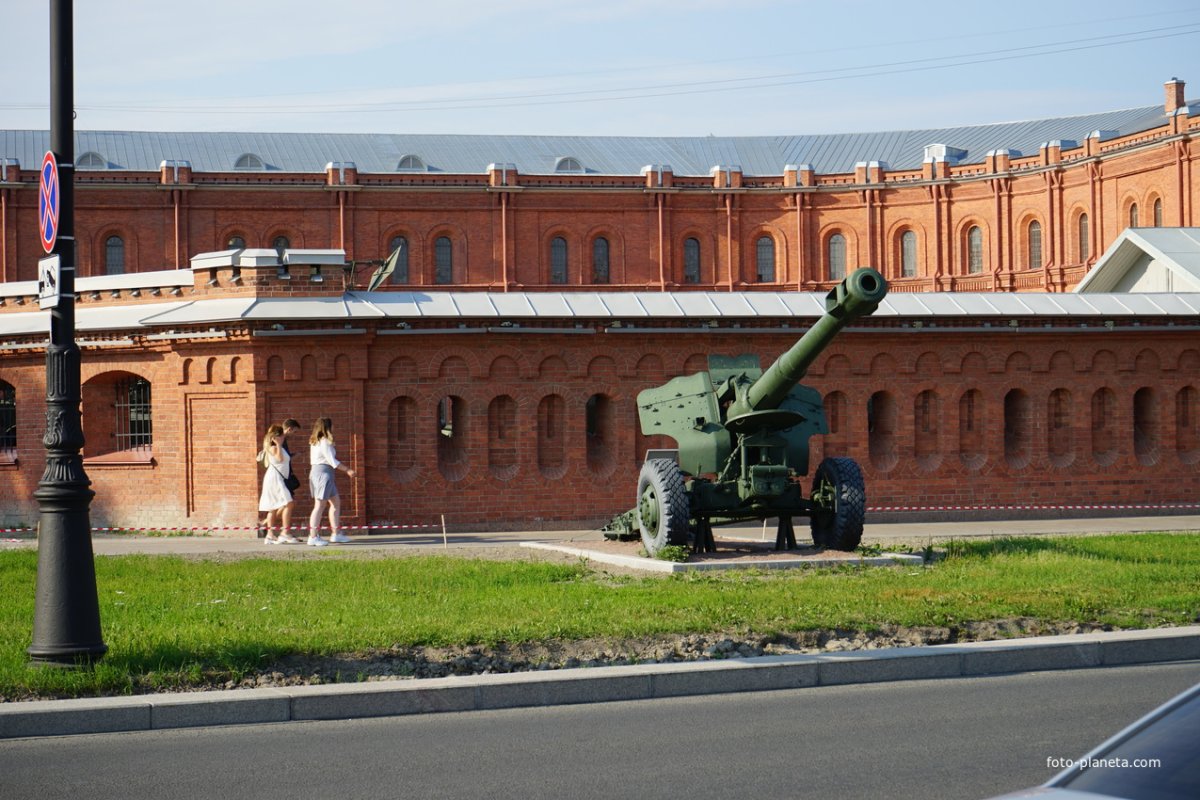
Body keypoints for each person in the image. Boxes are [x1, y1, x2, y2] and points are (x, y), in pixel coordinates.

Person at [308, 417, 355, 546]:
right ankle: (313, 536)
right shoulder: (324, 442)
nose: (334, 428)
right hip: (323, 474)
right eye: (332, 426)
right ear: (327, 428)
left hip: (325, 474)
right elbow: (332, 461)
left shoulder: (317, 442)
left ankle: (336, 534)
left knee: (335, 503)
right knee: (319, 506)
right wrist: (347, 470)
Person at [258, 424, 299, 544]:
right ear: (276, 437)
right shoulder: (274, 448)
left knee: (274, 508)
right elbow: (280, 459)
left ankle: (270, 535)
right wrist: (279, 445)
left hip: (278, 478)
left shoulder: (278, 447)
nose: (283, 438)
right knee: (288, 503)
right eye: (281, 436)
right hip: (275, 479)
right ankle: (284, 533)